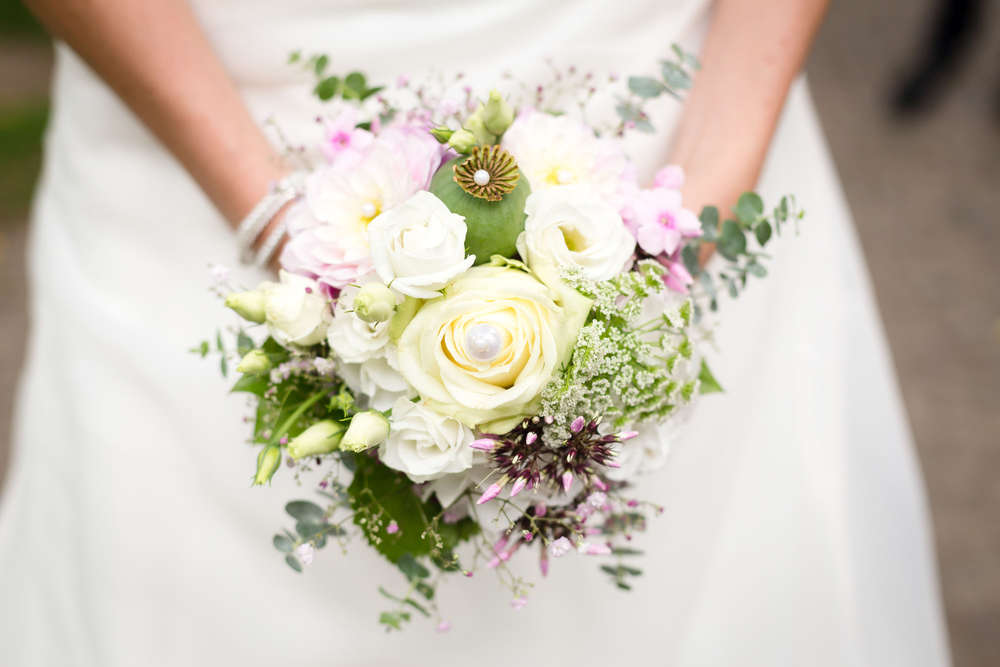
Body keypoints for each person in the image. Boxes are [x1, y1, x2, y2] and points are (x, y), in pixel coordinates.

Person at [0, 1, 951, 665]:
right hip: (198, 121)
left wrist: (686, 228)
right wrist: (280, 225)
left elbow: (693, 207)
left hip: (672, 111)